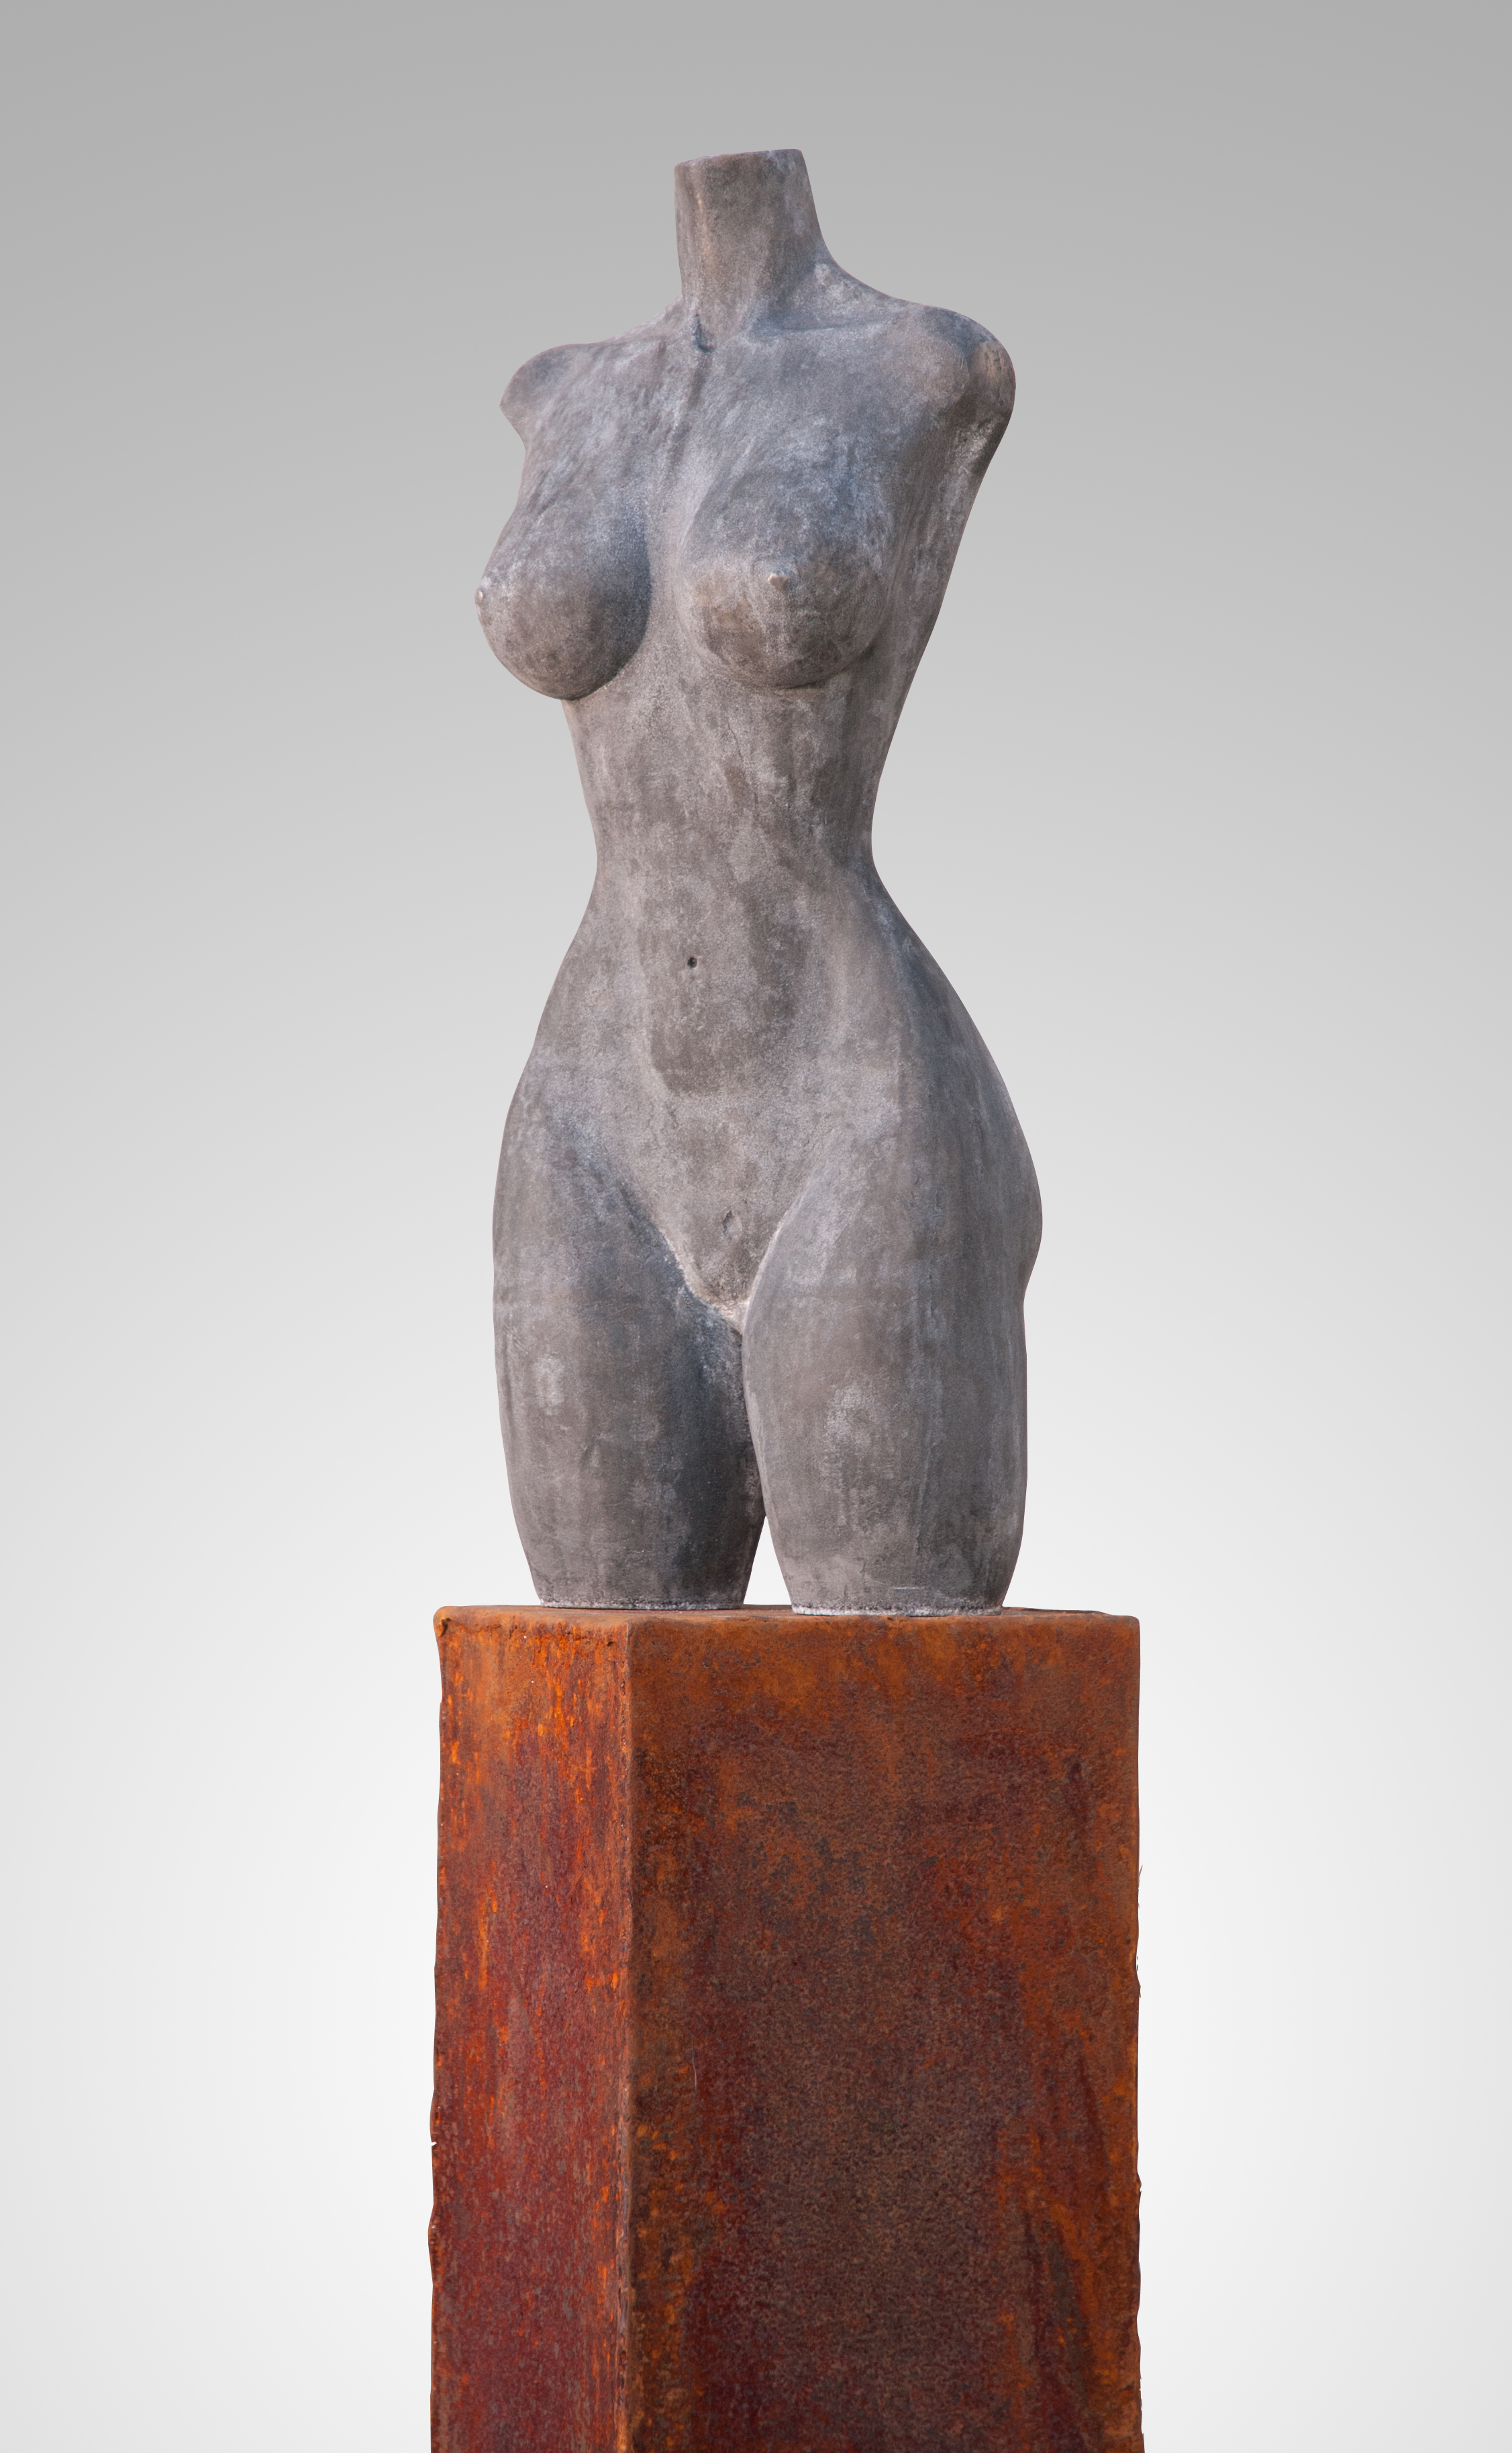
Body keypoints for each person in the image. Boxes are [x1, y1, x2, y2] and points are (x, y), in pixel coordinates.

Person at [477, 148, 1040, 1611]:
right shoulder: (560, 393)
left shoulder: (922, 371)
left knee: (909, 1684)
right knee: (576, 1690)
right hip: (597, 1102)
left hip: (851, 1092)